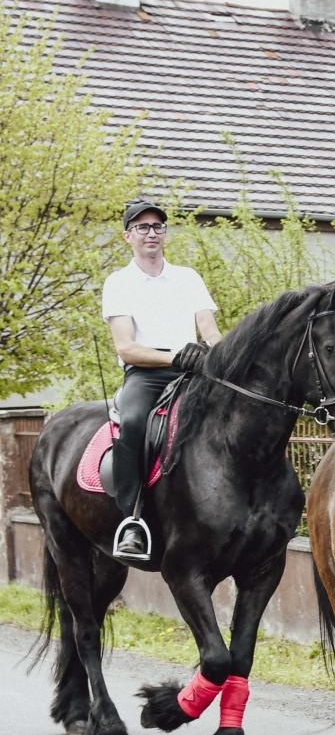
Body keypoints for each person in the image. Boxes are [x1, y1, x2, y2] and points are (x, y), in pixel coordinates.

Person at [102, 198, 222, 562]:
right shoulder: (119, 282)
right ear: (128, 236)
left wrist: (222, 356)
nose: (151, 233)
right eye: (142, 227)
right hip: (147, 374)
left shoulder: (188, 277)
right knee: (135, 421)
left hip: (195, 370)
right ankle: (132, 520)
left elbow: (211, 332)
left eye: (157, 226)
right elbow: (126, 347)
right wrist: (173, 355)